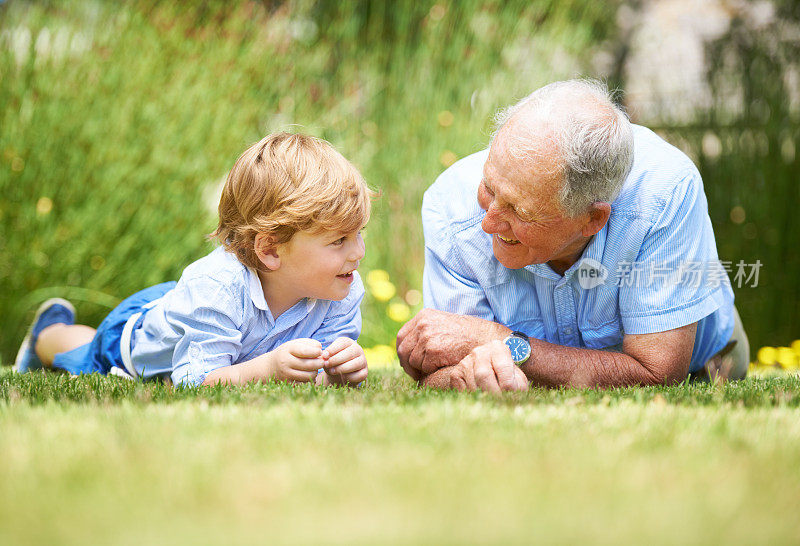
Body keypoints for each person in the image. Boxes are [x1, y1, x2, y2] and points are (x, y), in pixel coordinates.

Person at [396, 79, 749, 393]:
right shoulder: (449, 206)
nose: (488, 223)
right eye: (488, 187)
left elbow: (658, 374)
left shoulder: (665, 192)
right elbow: (450, 368)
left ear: (592, 219)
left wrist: (502, 343)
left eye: (519, 211)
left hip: (706, 359)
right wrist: (458, 372)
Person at [15, 132, 373, 387]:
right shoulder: (217, 288)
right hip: (136, 336)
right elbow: (194, 382)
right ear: (270, 250)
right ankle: (47, 333)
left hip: (191, 306)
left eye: (357, 233)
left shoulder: (339, 288)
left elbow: (320, 372)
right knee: (82, 353)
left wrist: (340, 370)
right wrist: (267, 368)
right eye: (338, 240)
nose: (357, 252)